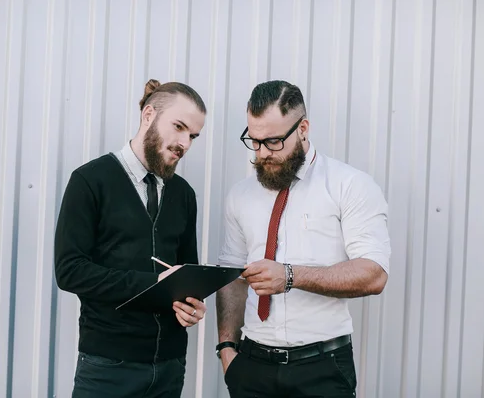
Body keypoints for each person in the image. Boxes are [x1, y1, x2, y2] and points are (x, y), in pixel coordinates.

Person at [215, 80, 391, 397]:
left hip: (322, 369)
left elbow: (374, 273)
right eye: (253, 141)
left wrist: (290, 276)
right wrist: (227, 347)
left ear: (303, 128)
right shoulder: (240, 195)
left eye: (273, 141)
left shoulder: (349, 186)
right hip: (251, 367)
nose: (262, 153)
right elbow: (232, 276)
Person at [54, 79, 208, 398]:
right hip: (107, 368)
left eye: (193, 135)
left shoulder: (184, 194)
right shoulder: (89, 181)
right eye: (178, 127)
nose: (185, 143)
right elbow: (69, 271)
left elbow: (186, 275)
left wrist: (192, 305)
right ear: (148, 115)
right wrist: (152, 284)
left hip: (169, 367)